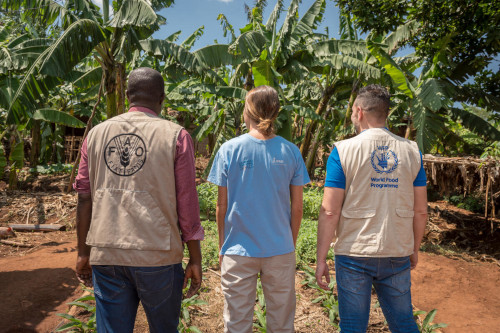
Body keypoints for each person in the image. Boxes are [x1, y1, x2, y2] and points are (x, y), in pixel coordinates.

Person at [74, 67, 203, 333]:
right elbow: (187, 204)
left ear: (127, 95)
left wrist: (83, 252)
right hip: (159, 256)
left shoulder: (95, 134)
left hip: (107, 252)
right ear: (162, 98)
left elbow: (84, 197)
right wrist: (195, 259)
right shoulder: (176, 136)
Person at [315, 84, 428, 333]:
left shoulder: (342, 151)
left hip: (354, 252)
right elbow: (421, 211)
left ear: (359, 111)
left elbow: (329, 210)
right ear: (386, 113)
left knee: (353, 326)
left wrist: (321, 258)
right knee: (404, 323)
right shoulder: (412, 151)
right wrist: (414, 248)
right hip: (397, 250)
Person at [208, 85, 310, 333]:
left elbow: (221, 207)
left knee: (236, 324)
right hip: (280, 250)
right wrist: (289, 243)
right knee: (281, 324)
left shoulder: (229, 149)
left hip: (237, 250)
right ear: (275, 113)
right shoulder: (291, 151)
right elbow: (297, 208)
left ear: (248, 112)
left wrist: (223, 244)